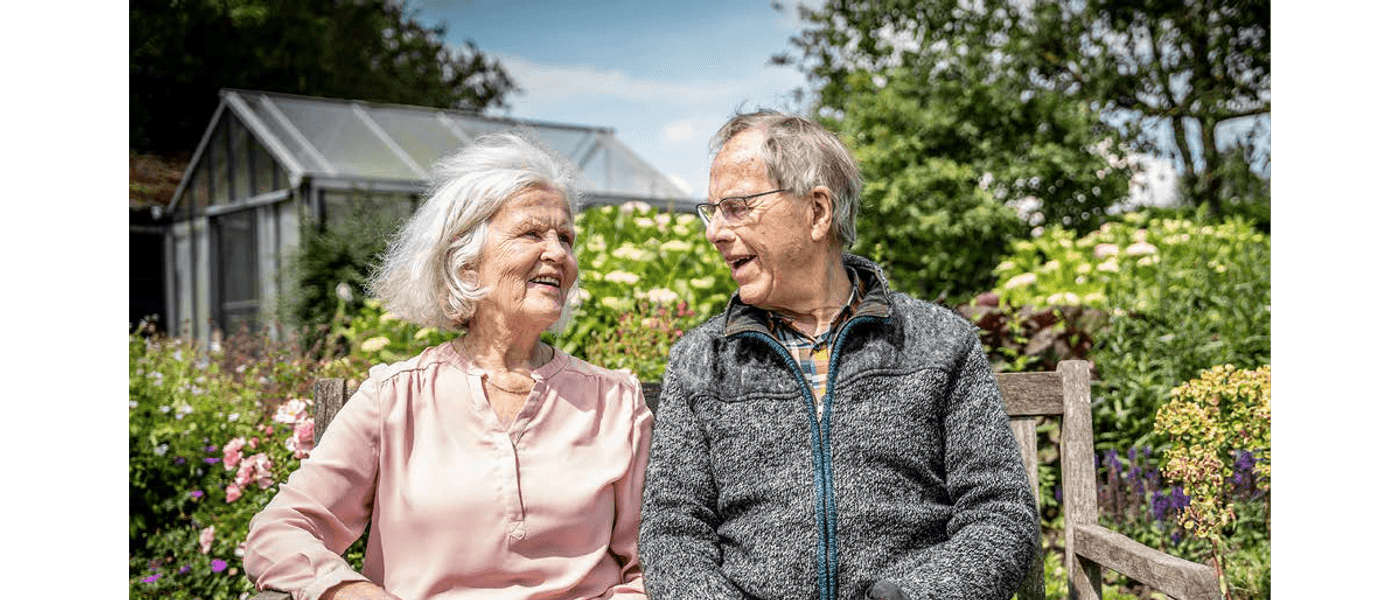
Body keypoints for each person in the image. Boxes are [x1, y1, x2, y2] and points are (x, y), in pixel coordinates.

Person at [638, 110, 1038, 600]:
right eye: (713, 211)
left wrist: (913, 595)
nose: (715, 232)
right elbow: (673, 532)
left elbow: (1001, 515)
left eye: (737, 207)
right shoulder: (700, 361)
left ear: (818, 212)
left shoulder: (940, 342)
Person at [243, 131, 652, 600]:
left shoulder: (616, 402)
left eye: (566, 238)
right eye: (532, 233)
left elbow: (651, 564)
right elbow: (279, 532)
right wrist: (353, 594)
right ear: (466, 261)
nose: (559, 253)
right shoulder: (395, 398)